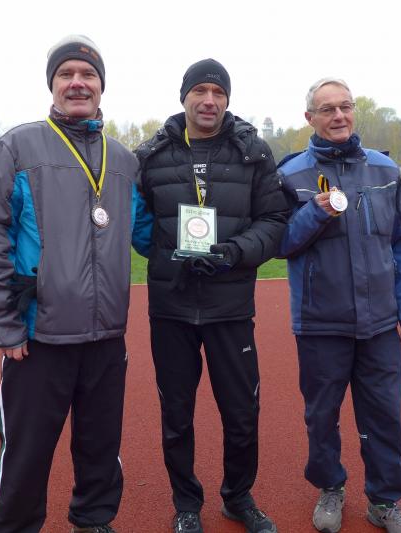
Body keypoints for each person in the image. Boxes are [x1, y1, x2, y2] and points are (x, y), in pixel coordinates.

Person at [0, 34, 152, 533]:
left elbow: (146, 233)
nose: (77, 83)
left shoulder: (124, 160)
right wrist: (4, 323)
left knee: (101, 449)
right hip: (37, 336)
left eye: (88, 74)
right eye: (66, 74)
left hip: (106, 336)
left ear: (101, 86)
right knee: (25, 455)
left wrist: (209, 232)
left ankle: (93, 521)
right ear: (52, 85)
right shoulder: (18, 146)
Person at [134, 59, 288, 533]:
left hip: (230, 307)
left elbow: (275, 221)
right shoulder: (152, 155)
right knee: (176, 415)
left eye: (218, 92)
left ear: (227, 99)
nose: (209, 100)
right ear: (183, 96)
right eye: (199, 91)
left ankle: (238, 497)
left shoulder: (253, 152)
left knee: (242, 413)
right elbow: (138, 224)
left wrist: (233, 252)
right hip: (171, 307)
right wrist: (169, 255)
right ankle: (186, 505)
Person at [277, 78, 401, 533]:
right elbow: (280, 243)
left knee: (384, 415)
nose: (339, 116)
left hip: (379, 323)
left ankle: (384, 501)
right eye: (327, 109)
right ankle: (330, 488)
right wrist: (315, 212)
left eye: (345, 106)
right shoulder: (291, 175)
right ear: (310, 118)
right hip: (320, 323)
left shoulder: (385, 169)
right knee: (321, 416)